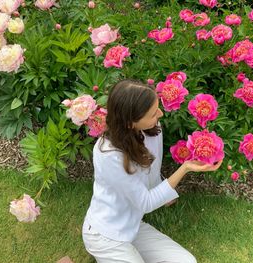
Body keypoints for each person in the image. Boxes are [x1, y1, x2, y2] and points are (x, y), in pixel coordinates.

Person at [82, 79, 222, 263]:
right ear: (131, 122)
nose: (161, 114)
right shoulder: (108, 154)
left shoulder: (152, 131)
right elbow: (146, 203)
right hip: (105, 235)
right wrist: (185, 168)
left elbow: (153, 172)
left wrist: (165, 191)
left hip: (133, 227)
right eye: (153, 113)